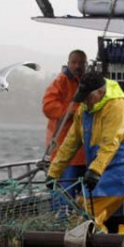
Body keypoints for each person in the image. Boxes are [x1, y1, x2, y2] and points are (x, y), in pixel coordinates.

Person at [46, 72, 124, 231]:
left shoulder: (119, 109)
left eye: (88, 97)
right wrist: (53, 173)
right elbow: (69, 144)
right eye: (82, 96)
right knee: (81, 210)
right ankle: (96, 245)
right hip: (100, 171)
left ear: (100, 92)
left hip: (123, 170)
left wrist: (94, 171)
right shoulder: (84, 111)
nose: (85, 101)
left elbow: (110, 144)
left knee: (86, 216)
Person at [41, 50, 88, 188]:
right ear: (68, 64)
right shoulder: (61, 81)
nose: (77, 66)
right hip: (64, 150)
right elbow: (48, 107)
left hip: (85, 152)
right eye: (74, 62)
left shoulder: (87, 82)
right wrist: (74, 110)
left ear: (86, 64)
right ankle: (61, 210)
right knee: (64, 192)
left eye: (81, 63)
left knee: (80, 194)